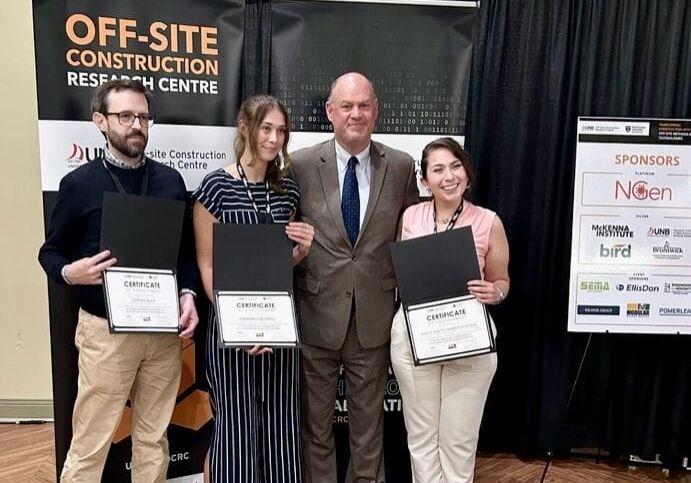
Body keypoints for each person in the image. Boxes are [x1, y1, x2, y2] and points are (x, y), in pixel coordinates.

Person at [38, 79, 199, 483]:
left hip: (162, 333)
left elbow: (184, 254)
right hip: (105, 335)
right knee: (90, 443)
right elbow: (50, 253)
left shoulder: (170, 182)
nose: (136, 125)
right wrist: (69, 272)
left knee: (154, 440)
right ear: (100, 121)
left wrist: (188, 295)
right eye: (125, 116)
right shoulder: (80, 184)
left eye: (143, 116)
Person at [290, 72, 419, 483]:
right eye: (346, 106)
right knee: (315, 428)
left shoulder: (400, 166)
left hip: (374, 319)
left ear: (376, 112)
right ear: (330, 112)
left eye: (364, 105)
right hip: (315, 316)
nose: (356, 114)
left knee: (369, 429)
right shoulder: (301, 163)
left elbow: (413, 231)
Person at [192, 94, 314, 483]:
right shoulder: (214, 188)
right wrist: (236, 326)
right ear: (245, 128)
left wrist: (302, 252)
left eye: (281, 130)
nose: (275, 138)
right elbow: (207, 264)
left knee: (281, 424)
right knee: (236, 426)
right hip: (230, 330)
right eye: (267, 128)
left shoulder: (287, 193)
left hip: (279, 329)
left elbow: (279, 266)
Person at [390, 137, 510, 483]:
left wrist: (495, 292)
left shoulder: (488, 221)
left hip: (468, 340)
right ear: (424, 180)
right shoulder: (410, 215)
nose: (449, 176)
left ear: (467, 174)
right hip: (415, 338)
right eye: (438, 169)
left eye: (456, 166)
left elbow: (501, 280)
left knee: (458, 443)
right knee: (422, 440)